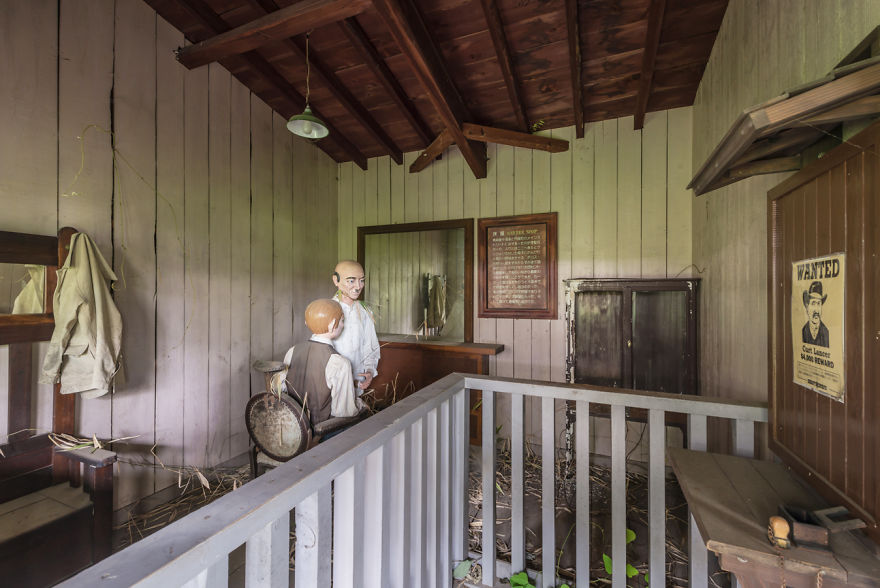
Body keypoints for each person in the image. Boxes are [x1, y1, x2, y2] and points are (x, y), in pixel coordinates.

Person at [283, 298, 364, 428]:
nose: (343, 325)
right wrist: (359, 404)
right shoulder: (339, 363)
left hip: (292, 428)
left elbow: (283, 390)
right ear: (332, 324)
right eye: (342, 320)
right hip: (322, 433)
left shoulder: (292, 351)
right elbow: (344, 412)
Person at [331, 260, 380, 394]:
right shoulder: (327, 310)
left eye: (362, 280)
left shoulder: (365, 312)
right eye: (351, 281)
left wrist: (370, 371)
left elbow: (371, 346)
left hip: (358, 386)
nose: (358, 286)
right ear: (336, 280)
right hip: (333, 388)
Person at [801, 280, 829, 348]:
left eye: (819, 304)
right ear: (807, 307)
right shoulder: (804, 330)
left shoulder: (826, 332)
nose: (816, 309)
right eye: (813, 303)